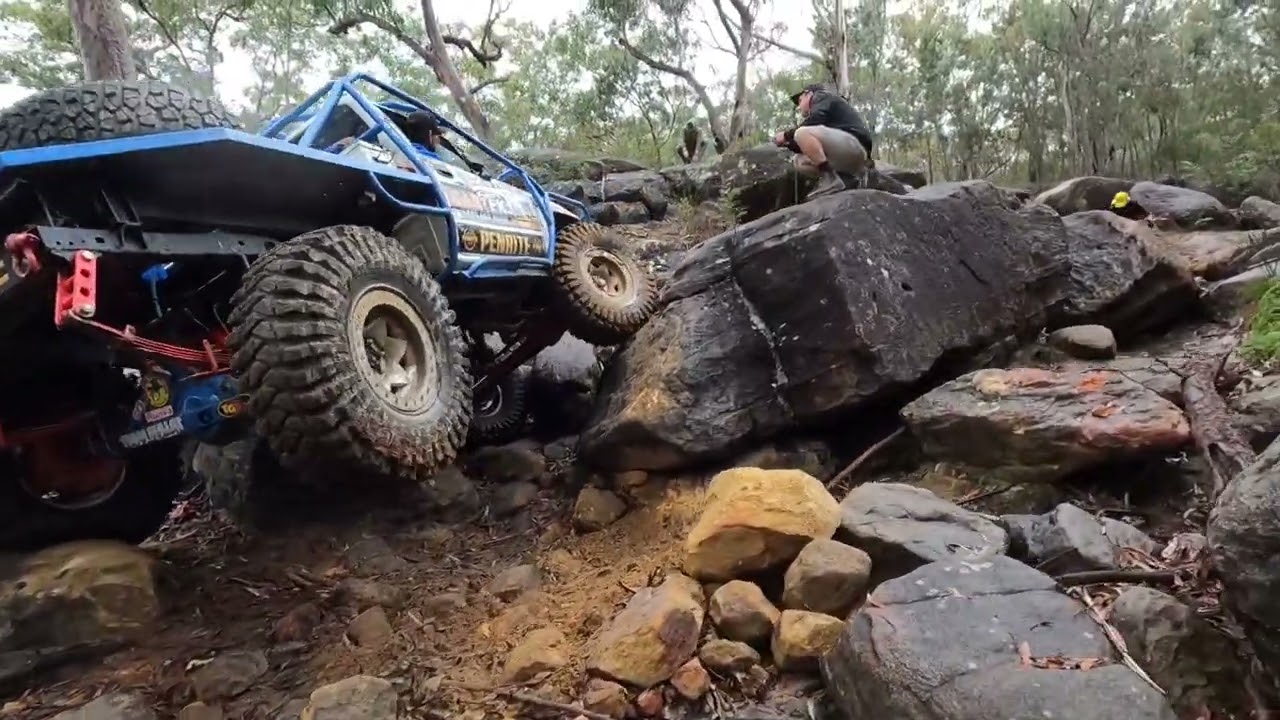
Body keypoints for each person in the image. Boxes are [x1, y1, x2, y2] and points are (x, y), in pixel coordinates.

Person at [773, 83, 874, 198]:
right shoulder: (824, 107)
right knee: (799, 160)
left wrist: (786, 135)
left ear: (808, 94)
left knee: (801, 132)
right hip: (847, 153)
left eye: (800, 101)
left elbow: (814, 120)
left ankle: (830, 179)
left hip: (854, 145)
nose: (799, 106)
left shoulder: (821, 96)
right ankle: (844, 180)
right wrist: (787, 144)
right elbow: (807, 145)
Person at [401, 110, 486, 175]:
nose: (438, 140)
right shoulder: (433, 161)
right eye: (437, 135)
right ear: (430, 134)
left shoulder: (402, 151)